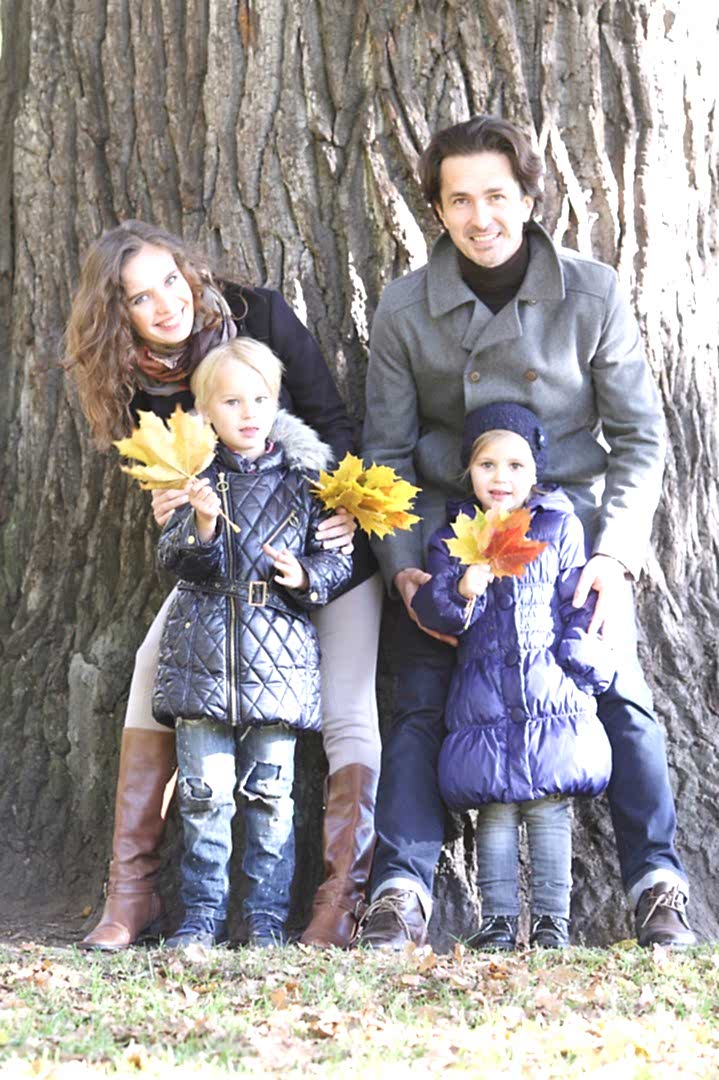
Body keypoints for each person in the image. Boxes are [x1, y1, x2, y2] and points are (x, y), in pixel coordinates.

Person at [360, 115, 696, 949]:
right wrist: (404, 566)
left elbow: (640, 436)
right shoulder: (404, 307)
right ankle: (398, 892)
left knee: (621, 693)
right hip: (451, 539)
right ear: (437, 209)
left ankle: (656, 883)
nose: (480, 217)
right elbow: (387, 452)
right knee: (417, 702)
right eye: (459, 200)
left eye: (496, 196)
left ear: (527, 197)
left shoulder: (590, 290)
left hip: (566, 536)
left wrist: (613, 555)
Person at [65, 221, 381, 951]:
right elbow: (168, 475)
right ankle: (133, 890)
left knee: (348, 705)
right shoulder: (137, 382)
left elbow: (331, 418)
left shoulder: (259, 314)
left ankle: (341, 901)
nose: (166, 304)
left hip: (323, 545)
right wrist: (171, 503)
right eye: (141, 298)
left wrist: (343, 504)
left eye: (170, 281)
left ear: (188, 272)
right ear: (119, 315)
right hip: (224, 571)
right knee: (152, 670)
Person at [151, 339, 352, 947]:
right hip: (204, 656)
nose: (248, 413)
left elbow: (336, 559)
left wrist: (305, 575)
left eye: (260, 399)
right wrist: (204, 523)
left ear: (277, 402)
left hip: (278, 657)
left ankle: (266, 917)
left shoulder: (307, 482)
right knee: (204, 796)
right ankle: (202, 915)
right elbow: (175, 559)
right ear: (206, 412)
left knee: (271, 796)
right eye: (232, 402)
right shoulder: (191, 478)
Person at [412, 402, 614, 949]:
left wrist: (584, 665)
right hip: (484, 699)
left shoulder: (558, 525)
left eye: (515, 465)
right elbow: (435, 610)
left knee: (549, 810)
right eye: (487, 465)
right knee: (495, 809)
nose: (500, 477)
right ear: (469, 470)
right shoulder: (456, 536)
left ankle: (551, 922)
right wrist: (462, 589)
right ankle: (499, 920)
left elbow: (579, 602)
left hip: (550, 690)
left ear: (535, 471)